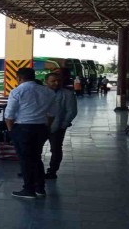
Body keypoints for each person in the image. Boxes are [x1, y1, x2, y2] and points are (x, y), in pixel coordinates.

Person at [4, 68, 57, 199]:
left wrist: (11, 131)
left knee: (25, 160)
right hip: (41, 128)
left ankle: (28, 189)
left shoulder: (17, 91)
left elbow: (9, 115)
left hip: (23, 128)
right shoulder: (48, 91)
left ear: (19, 78)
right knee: (36, 158)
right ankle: (40, 188)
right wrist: (46, 126)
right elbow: (52, 114)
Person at [44, 73, 77, 180]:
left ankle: (52, 171)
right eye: (53, 81)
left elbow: (71, 111)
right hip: (40, 126)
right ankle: (32, 169)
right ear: (46, 82)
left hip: (57, 127)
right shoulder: (40, 93)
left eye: (58, 81)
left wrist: (63, 125)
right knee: (34, 149)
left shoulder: (67, 94)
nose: (56, 83)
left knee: (56, 149)